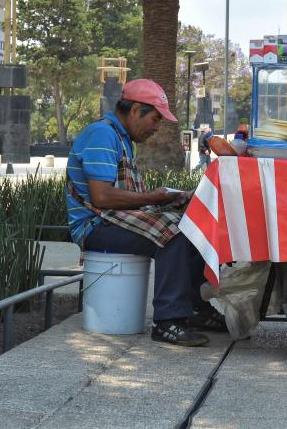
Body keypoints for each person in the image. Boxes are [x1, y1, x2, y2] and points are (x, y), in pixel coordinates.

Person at [67, 79, 223, 347]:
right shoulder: (102, 134)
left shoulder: (122, 139)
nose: (156, 127)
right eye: (155, 119)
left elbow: (125, 197)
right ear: (136, 110)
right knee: (174, 235)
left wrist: (167, 200)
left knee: (194, 228)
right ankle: (167, 322)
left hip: (113, 218)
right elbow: (101, 197)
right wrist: (153, 197)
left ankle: (197, 308)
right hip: (95, 225)